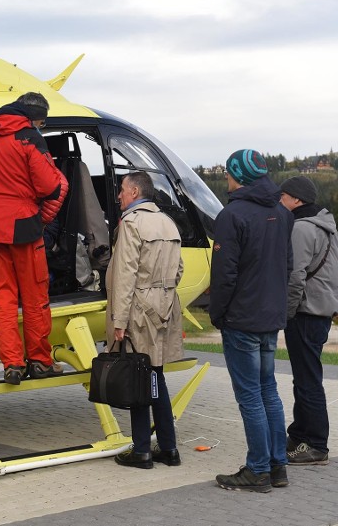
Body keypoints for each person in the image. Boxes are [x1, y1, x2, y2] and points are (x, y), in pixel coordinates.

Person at [209, 149, 294, 493]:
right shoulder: (282, 212)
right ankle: (278, 466)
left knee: (250, 396)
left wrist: (218, 313)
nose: (226, 180)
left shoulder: (232, 215)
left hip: (241, 317)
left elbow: (224, 273)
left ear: (240, 176)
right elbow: (287, 265)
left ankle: (257, 469)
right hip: (270, 316)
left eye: (229, 174)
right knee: (268, 390)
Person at [0, 92, 68, 385]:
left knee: (3, 298)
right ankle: (40, 361)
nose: (40, 127)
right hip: (24, 226)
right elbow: (49, 185)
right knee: (35, 297)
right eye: (41, 122)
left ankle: (12, 364)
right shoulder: (28, 137)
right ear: (34, 116)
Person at [107, 172, 184, 470]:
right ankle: (169, 448)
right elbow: (179, 270)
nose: (119, 196)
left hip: (138, 308)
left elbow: (125, 275)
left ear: (135, 190)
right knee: (155, 376)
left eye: (122, 190)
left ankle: (141, 450)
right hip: (165, 306)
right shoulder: (168, 222)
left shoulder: (131, 223)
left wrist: (120, 318)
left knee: (137, 376)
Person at [279, 175, 338, 466]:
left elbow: (295, 276)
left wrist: (286, 313)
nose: (280, 201)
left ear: (295, 199)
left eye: (283, 197)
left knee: (308, 381)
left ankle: (316, 445)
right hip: (320, 311)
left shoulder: (301, 228)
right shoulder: (325, 225)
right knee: (305, 377)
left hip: (306, 312)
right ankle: (299, 435)